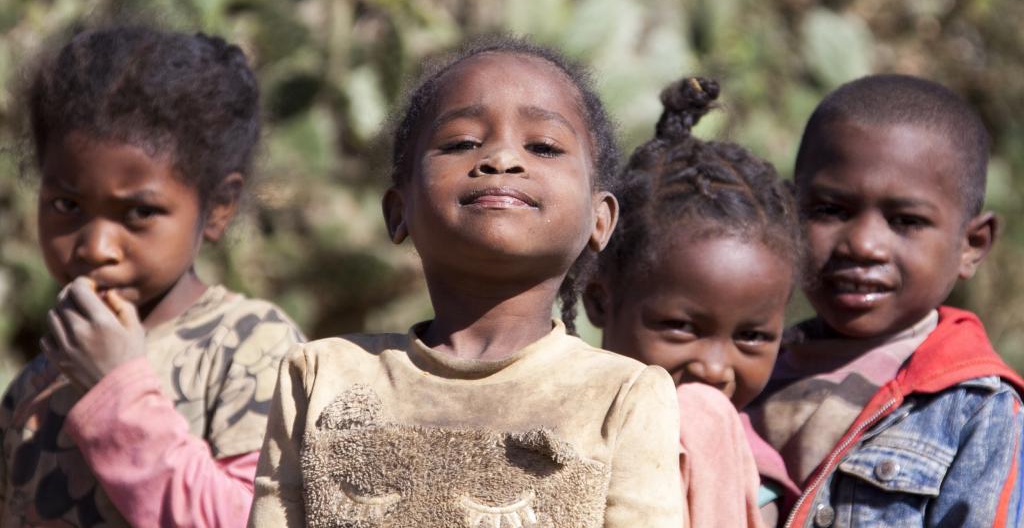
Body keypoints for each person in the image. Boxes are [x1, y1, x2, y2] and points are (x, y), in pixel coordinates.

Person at [248, 36, 684, 527]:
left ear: (599, 220)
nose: (501, 158)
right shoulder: (321, 376)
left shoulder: (622, 395)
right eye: (461, 143)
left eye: (543, 146)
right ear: (399, 211)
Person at [0, 26, 305, 527]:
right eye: (65, 204)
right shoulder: (36, 381)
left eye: (139, 213)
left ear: (218, 208)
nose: (95, 247)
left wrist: (115, 387)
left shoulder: (251, 347)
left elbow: (250, 519)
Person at [748, 74, 1024, 527]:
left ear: (971, 245)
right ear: (788, 213)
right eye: (830, 210)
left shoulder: (976, 411)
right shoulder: (744, 367)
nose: (863, 244)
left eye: (905, 220)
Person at [584, 76, 801, 527]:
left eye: (752, 336)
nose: (715, 368)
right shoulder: (557, 426)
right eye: (683, 327)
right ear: (601, 300)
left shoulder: (755, 483)